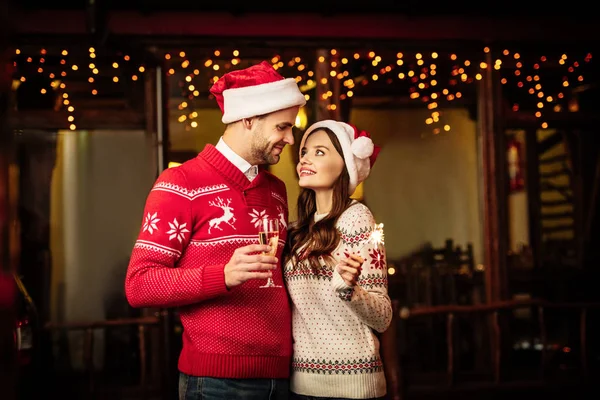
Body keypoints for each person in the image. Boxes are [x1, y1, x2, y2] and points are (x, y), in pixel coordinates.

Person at [125, 60, 306, 400]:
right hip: (217, 383)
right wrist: (222, 275)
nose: (290, 138)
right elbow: (139, 285)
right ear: (248, 119)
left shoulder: (276, 189)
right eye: (282, 127)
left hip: (284, 376)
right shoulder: (179, 184)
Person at [284, 120, 393, 400]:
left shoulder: (357, 218)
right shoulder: (298, 230)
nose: (305, 159)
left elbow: (382, 317)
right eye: (304, 152)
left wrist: (348, 289)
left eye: (320, 152)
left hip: (352, 385)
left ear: (345, 164)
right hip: (302, 385)